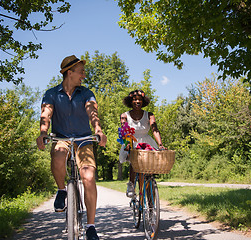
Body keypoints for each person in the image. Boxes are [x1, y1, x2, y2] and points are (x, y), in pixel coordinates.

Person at [36, 55, 107, 240]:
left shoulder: (86, 93)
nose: (84, 75)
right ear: (70, 72)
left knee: (89, 177)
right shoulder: (51, 93)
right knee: (58, 157)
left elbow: (93, 112)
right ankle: (62, 190)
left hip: (83, 139)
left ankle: (91, 226)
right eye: (80, 71)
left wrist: (98, 130)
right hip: (62, 138)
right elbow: (46, 114)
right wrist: (43, 132)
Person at [119, 90, 166, 197]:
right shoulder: (124, 115)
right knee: (133, 160)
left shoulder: (149, 115)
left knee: (148, 168)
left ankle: (150, 192)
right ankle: (131, 184)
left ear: (143, 101)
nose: (137, 101)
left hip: (146, 143)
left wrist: (160, 144)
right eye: (135, 99)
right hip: (131, 141)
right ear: (131, 102)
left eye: (139, 99)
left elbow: (154, 129)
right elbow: (124, 129)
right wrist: (127, 143)